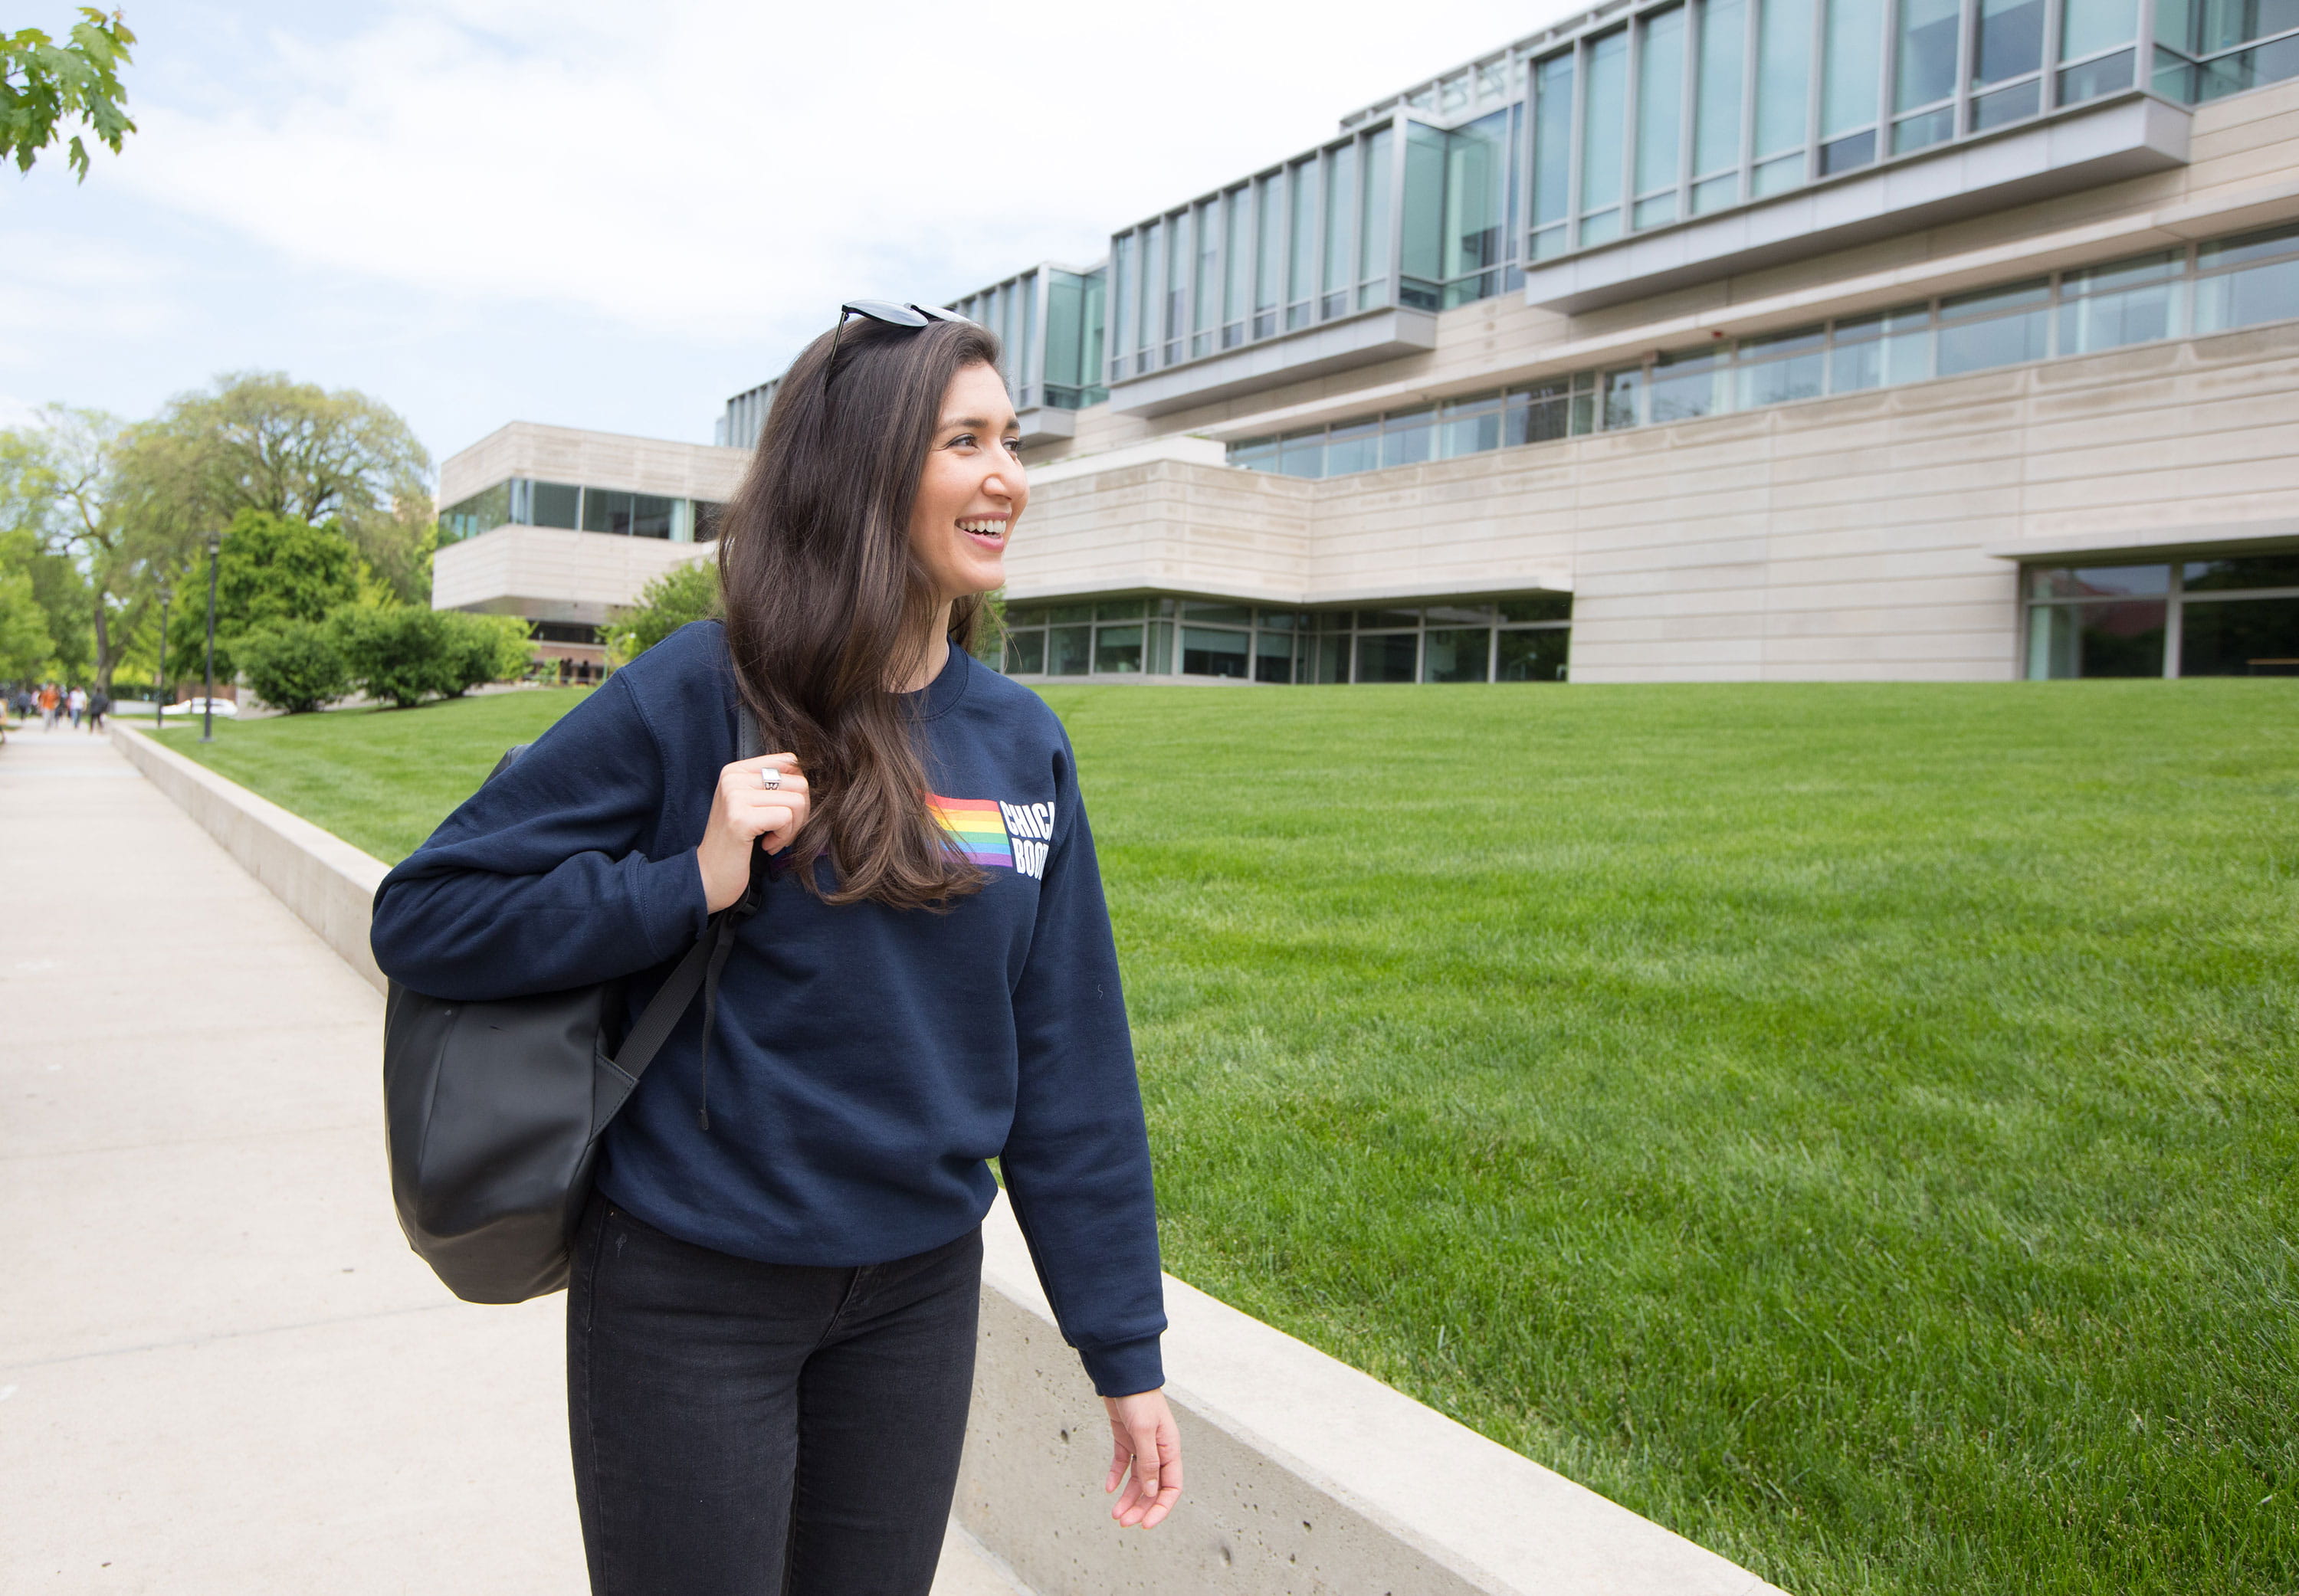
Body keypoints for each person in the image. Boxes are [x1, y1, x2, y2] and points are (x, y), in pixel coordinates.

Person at [369, 303, 1179, 1595]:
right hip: (693, 1292)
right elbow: (426, 911)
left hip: (914, 1304)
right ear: (866, 470)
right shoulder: (703, 689)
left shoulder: (1022, 744)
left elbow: (1070, 1060)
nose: (1006, 478)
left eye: (1012, 442)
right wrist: (687, 880)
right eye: (963, 441)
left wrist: (1123, 1349)